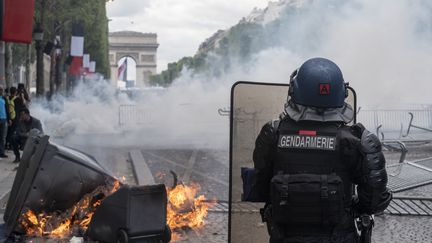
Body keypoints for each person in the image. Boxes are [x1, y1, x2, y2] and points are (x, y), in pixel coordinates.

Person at [251, 58, 392, 243]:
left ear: (294, 90)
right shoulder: (358, 140)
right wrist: (347, 208)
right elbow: (375, 200)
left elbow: (259, 188)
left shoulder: (272, 134)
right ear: (341, 93)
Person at [0, 85, 11, 158]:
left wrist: (9, 119)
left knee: (3, 137)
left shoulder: (4, 98)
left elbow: (7, 109)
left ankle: (1, 152)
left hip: (4, 120)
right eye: (0, 89)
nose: (1, 91)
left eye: (1, 89)